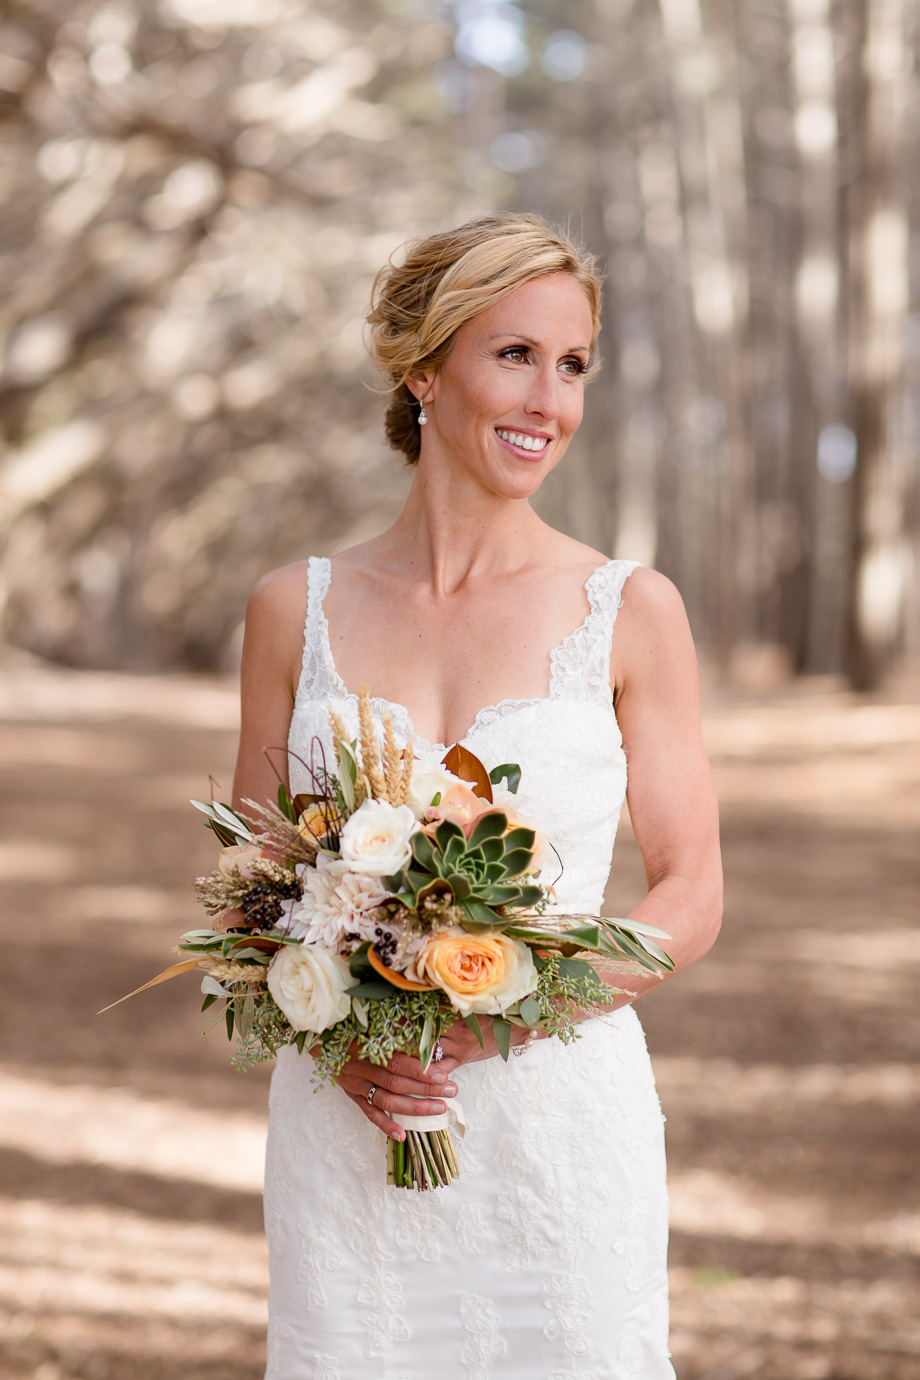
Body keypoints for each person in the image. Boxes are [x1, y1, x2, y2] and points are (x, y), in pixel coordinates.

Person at [232, 212, 722, 1380]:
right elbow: (252, 884)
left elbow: (691, 890)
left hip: (561, 1129)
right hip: (352, 1122)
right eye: (513, 354)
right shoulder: (288, 610)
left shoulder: (628, 608)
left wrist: (504, 1011)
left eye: (572, 365)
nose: (548, 400)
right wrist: (342, 1043)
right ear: (420, 367)